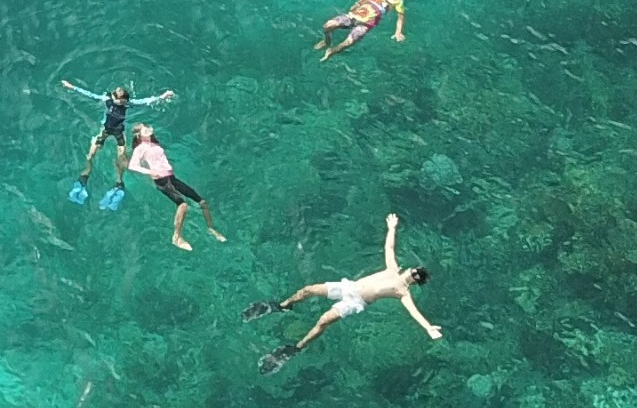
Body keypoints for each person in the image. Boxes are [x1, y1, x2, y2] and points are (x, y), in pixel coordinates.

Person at [243, 213, 436, 371]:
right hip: (349, 286)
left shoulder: (402, 292)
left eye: (416, 275)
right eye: (414, 270)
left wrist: (428, 327)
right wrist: (392, 228)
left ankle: (295, 348)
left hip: (356, 302)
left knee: (323, 321)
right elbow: (389, 247)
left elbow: (413, 312)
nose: (413, 272)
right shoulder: (392, 268)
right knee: (309, 289)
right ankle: (283, 306)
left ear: (414, 281)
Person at [117, 122, 225, 251]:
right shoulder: (140, 148)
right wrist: (150, 172)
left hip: (171, 178)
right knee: (183, 205)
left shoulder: (155, 144)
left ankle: (211, 229)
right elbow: (133, 165)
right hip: (161, 181)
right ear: (139, 135)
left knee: (202, 202)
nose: (147, 130)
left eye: (147, 127)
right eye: (143, 129)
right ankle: (177, 237)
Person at [62, 80, 174, 184]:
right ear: (112, 97)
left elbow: (145, 101)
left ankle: (119, 180)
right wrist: (72, 87)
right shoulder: (106, 100)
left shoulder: (129, 104)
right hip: (105, 130)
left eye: (123, 101)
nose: (121, 103)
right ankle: (87, 170)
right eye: (119, 101)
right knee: (91, 154)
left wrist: (163, 96)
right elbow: (88, 95)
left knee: (122, 158)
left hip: (119, 132)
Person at [318, 0, 406, 59]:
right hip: (353, 16)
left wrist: (398, 32)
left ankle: (332, 51)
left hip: (366, 24)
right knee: (328, 25)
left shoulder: (397, 0)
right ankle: (327, 41)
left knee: (348, 42)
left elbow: (400, 17)